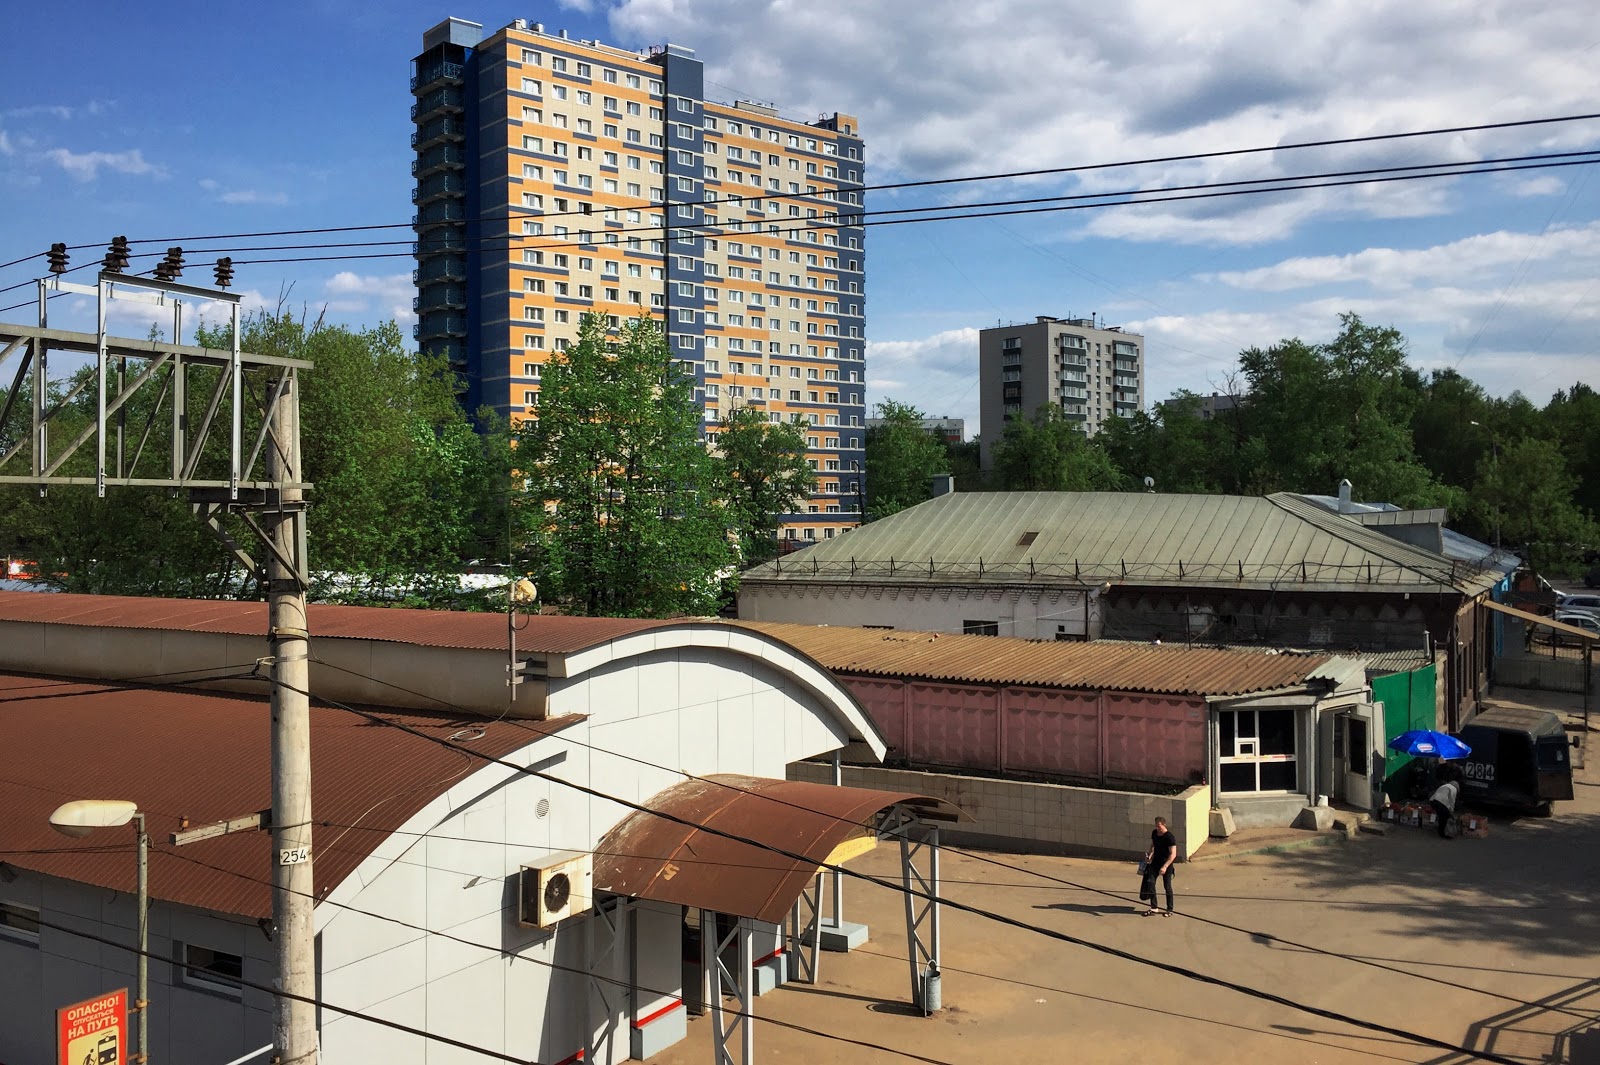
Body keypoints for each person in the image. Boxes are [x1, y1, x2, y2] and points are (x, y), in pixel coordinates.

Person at [1143, 816, 1177, 916]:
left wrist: (1165, 866)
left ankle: (1169, 909)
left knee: (1167, 886)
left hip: (1167, 864)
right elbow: (1153, 845)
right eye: (1156, 826)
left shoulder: (1169, 837)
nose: (1158, 829)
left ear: (1164, 825)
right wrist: (1149, 855)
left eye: (1159, 827)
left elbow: (1173, 854)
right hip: (1155, 863)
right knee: (1151, 883)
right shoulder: (1154, 833)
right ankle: (1154, 907)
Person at [1430, 768, 1460, 839]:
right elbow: (1451, 800)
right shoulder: (1454, 789)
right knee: (1444, 818)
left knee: (1441, 816)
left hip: (1433, 801)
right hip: (1441, 803)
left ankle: (1440, 830)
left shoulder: (1445, 786)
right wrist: (1451, 812)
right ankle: (1444, 833)